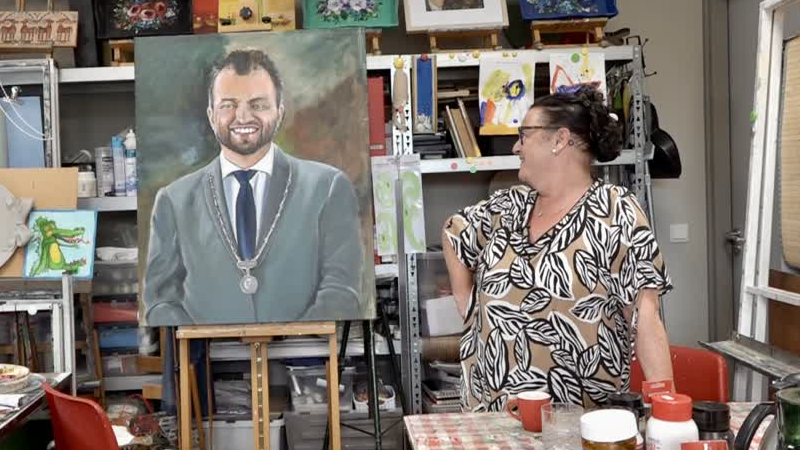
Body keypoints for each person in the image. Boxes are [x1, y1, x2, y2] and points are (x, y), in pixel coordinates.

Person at [442, 86, 674, 411]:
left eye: (524, 135)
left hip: (580, 421)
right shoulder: (508, 207)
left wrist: (666, 409)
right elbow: (454, 231)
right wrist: (467, 305)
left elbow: (645, 316)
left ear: (560, 139)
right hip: (494, 419)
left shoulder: (615, 211)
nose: (516, 146)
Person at [142, 49, 364, 326]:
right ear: (211, 115)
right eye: (228, 105)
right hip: (207, 352)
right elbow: (160, 301)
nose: (243, 116)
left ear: (280, 112)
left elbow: (342, 290)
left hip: (305, 348)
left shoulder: (328, 188)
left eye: (258, 104)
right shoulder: (173, 201)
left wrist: (293, 339)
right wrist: (202, 341)